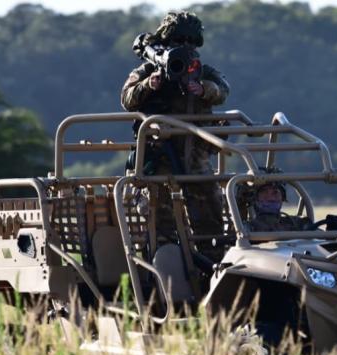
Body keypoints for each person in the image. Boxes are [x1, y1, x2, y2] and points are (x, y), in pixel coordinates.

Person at [120, 11, 230, 261]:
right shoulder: (149, 69)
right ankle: (164, 267)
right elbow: (127, 99)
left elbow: (223, 90)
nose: (185, 46)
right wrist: (149, 84)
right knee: (159, 219)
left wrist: (202, 89)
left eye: (191, 41)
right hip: (158, 155)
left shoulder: (202, 71)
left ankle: (211, 265)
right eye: (179, 40)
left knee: (209, 213)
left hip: (195, 154)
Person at [247, 182, 313, 232]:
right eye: (264, 193)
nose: (271, 198)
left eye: (275, 193)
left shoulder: (296, 223)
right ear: (255, 199)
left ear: (282, 198)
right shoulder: (249, 228)